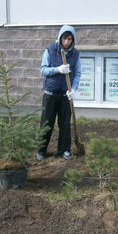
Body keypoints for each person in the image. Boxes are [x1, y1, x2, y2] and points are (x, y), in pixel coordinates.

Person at [36, 25, 81, 161]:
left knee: (65, 124)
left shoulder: (75, 54)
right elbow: (43, 69)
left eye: (69, 39)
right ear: (60, 38)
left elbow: (77, 73)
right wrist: (58, 69)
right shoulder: (50, 50)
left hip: (64, 96)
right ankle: (42, 151)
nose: (67, 42)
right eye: (64, 39)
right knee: (46, 124)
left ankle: (64, 150)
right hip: (50, 94)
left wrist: (73, 89)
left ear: (73, 40)